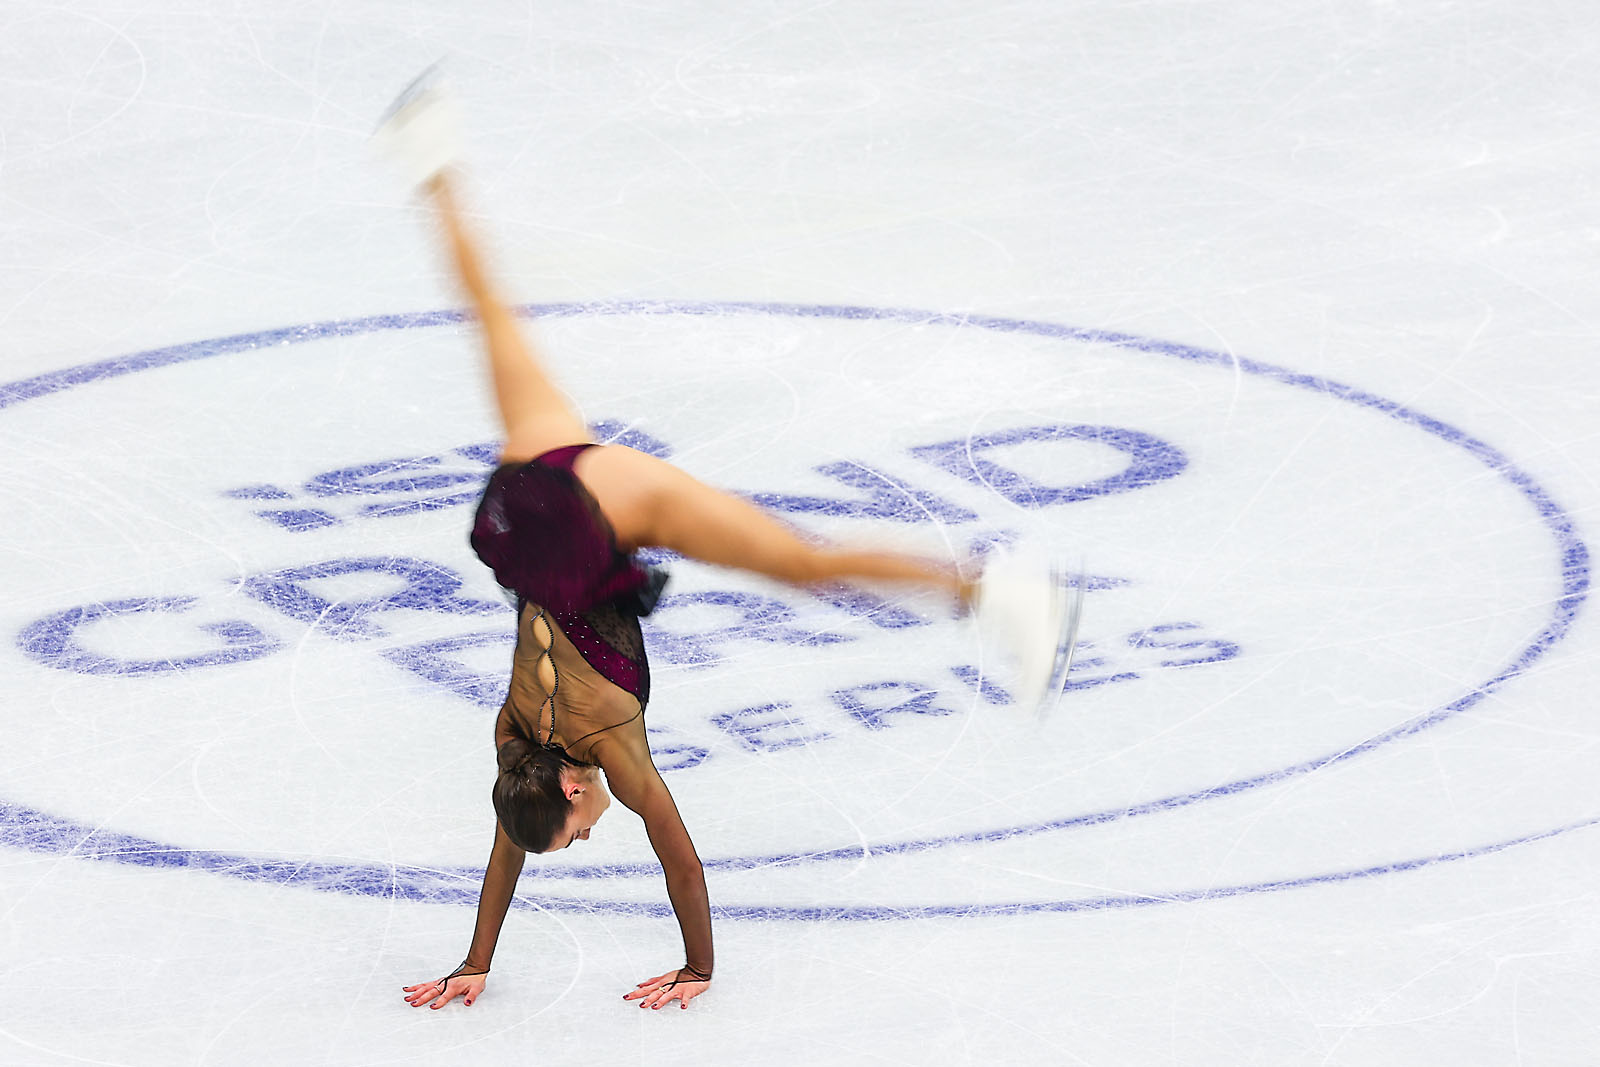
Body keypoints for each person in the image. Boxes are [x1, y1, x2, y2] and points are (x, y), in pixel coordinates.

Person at [379, 74, 1073, 1013]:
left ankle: (994, 590)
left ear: (575, 788)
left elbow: (681, 861)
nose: (581, 841)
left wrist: (698, 969)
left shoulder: (608, 755)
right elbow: (509, 842)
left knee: (802, 565)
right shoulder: (515, 750)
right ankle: (434, 165)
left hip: (594, 518)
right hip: (527, 502)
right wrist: (476, 959)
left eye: (573, 833)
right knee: (492, 320)